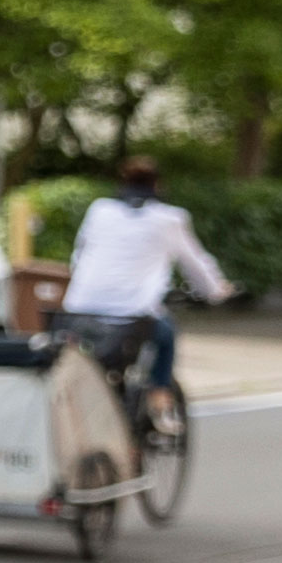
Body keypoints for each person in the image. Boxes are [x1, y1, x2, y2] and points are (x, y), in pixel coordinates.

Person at [58, 157, 234, 410]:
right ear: (158, 186)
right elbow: (196, 264)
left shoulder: (99, 210)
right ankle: (159, 397)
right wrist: (217, 291)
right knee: (166, 332)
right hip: (134, 316)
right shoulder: (170, 219)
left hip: (81, 309)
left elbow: (79, 256)